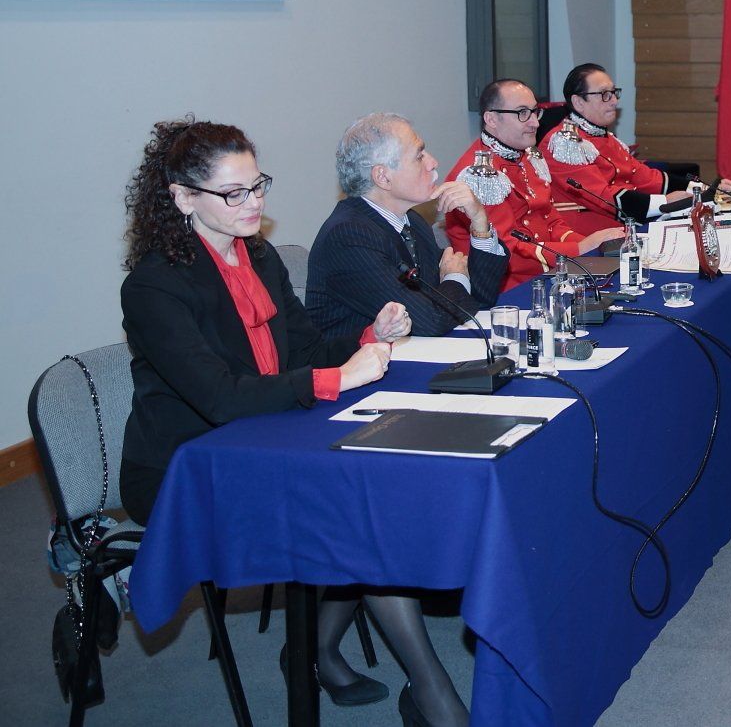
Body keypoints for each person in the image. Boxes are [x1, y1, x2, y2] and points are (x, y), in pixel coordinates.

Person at [117, 119, 469, 726]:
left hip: (269, 431)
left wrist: (368, 336)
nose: (253, 203)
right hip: (191, 464)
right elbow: (220, 398)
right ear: (183, 198)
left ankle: (315, 651)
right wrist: (338, 379)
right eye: (234, 193)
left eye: (258, 186)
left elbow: (303, 351)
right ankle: (428, 690)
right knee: (356, 512)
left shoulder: (259, 257)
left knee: (365, 496)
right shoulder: (154, 285)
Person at [307, 113, 508, 340]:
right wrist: (455, 276)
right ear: (383, 177)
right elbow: (428, 320)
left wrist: (479, 221)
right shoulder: (348, 237)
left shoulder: (412, 222)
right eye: (419, 156)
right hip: (361, 361)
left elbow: (480, 297)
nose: (433, 162)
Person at [446, 79, 619, 293]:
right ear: (491, 119)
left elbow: (551, 221)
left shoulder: (525, 155)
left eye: (535, 112)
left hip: (549, 274)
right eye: (522, 113)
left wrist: (590, 247)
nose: (535, 123)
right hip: (508, 290)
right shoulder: (478, 176)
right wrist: (579, 249)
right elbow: (507, 252)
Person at [542, 63, 700, 230]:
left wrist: (698, 189)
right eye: (604, 94)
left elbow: (643, 176)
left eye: (614, 93)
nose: (614, 101)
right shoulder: (565, 142)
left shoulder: (603, 135)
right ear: (579, 102)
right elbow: (602, 196)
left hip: (626, 222)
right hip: (593, 234)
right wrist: (664, 202)